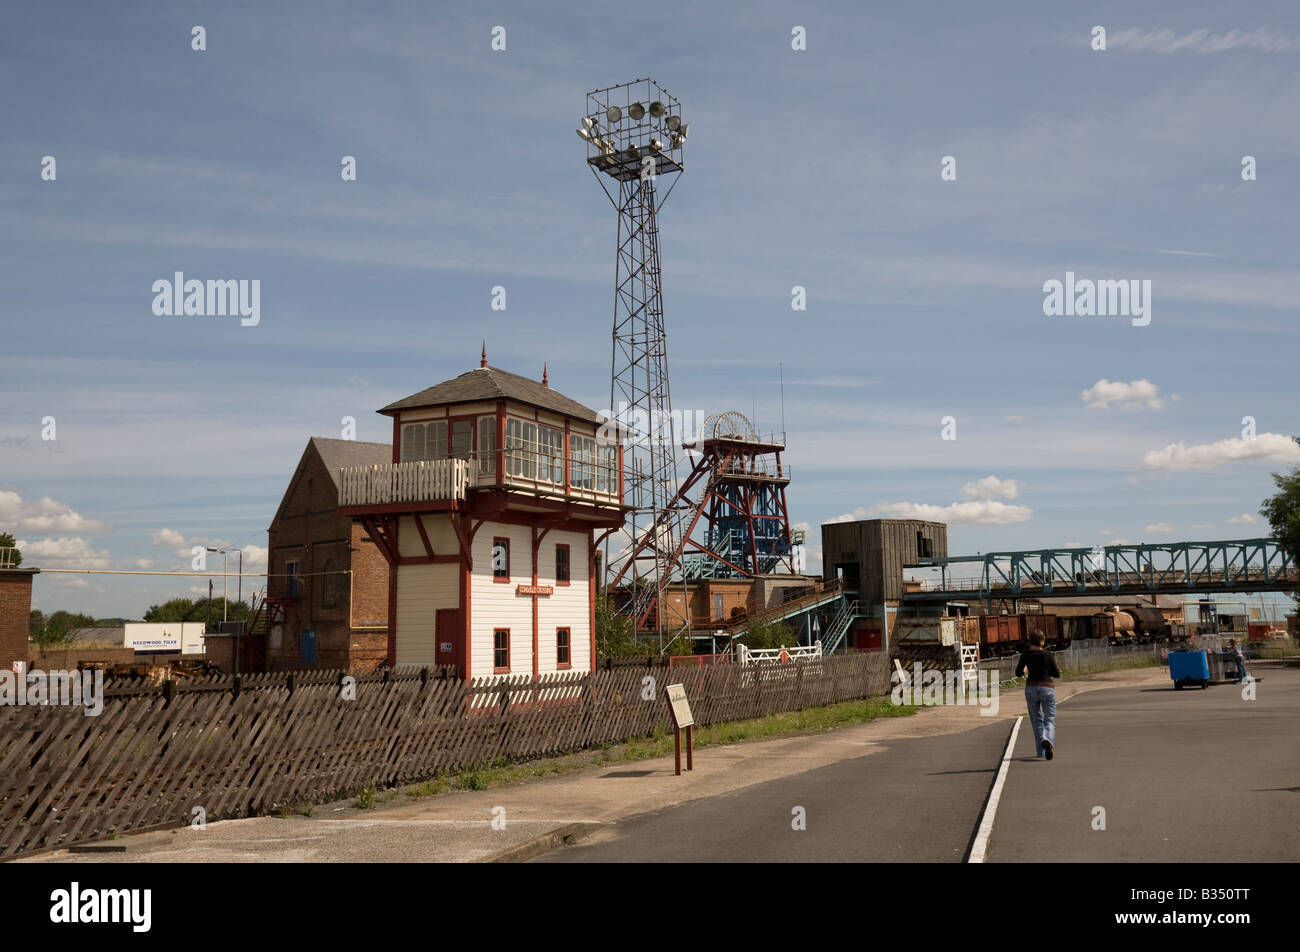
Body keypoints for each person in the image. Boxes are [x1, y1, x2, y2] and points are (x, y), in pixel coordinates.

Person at [1016, 630, 1061, 760]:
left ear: (1030, 641)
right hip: (1047, 687)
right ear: (1043, 641)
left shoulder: (1026, 654)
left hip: (1031, 688)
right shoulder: (1048, 655)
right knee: (1049, 719)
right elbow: (1056, 673)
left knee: (1036, 721)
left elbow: (1019, 673)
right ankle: (1048, 740)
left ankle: (1040, 751)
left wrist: (1025, 669)